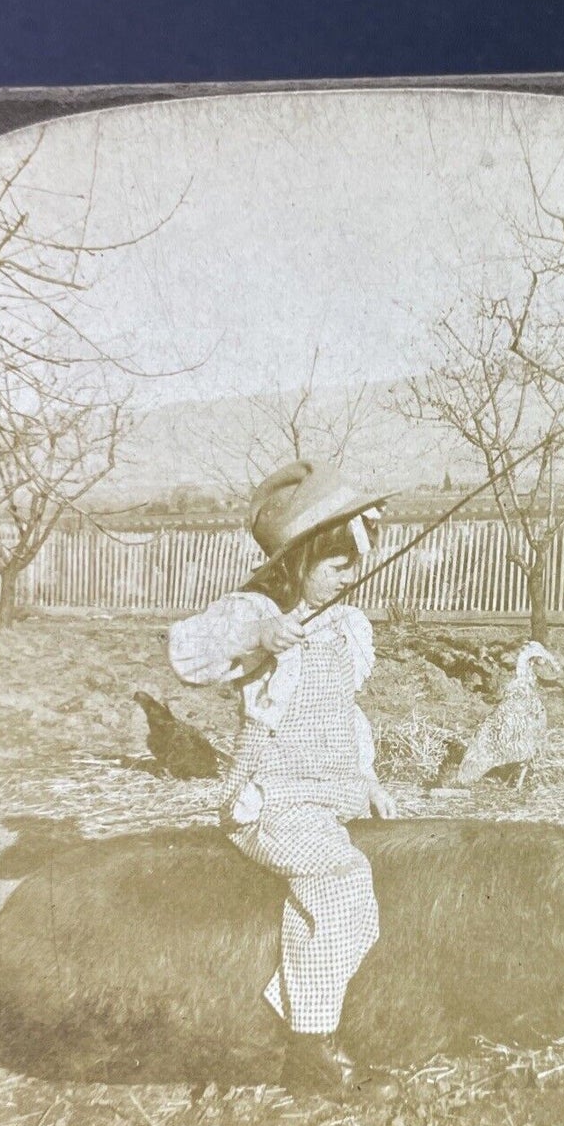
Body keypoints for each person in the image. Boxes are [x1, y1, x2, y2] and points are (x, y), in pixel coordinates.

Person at [167, 460, 397, 1094]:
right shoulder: (255, 612)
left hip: (335, 795)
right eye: (337, 564)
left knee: (374, 892)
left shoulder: (348, 624)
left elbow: (345, 711)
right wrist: (260, 635)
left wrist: (370, 778)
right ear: (298, 561)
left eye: (359, 560)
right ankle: (312, 1048)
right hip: (273, 800)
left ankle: (297, 1012)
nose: (352, 575)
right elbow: (187, 652)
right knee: (339, 877)